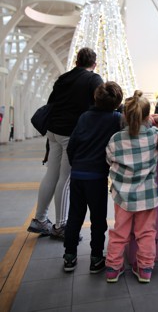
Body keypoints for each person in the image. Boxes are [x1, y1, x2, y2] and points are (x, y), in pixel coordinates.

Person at [27, 48, 103, 239]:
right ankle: (61, 225)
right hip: (71, 134)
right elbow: (103, 103)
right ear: (93, 64)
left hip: (53, 131)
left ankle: (40, 220)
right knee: (66, 178)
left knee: (51, 174)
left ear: (76, 62)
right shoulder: (93, 79)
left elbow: (51, 103)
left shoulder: (63, 78)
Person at [63, 81, 123, 273]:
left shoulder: (84, 117)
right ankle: (96, 258)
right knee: (98, 219)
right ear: (117, 101)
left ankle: (69, 257)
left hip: (78, 174)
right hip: (97, 177)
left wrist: (76, 164)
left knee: (74, 217)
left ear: (96, 98)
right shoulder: (116, 119)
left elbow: (72, 145)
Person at [105, 90, 158, 283]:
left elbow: (109, 159)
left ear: (124, 115)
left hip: (123, 196)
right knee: (146, 233)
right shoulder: (155, 136)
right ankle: (145, 269)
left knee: (120, 232)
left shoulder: (115, 139)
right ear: (147, 116)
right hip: (147, 196)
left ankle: (113, 268)